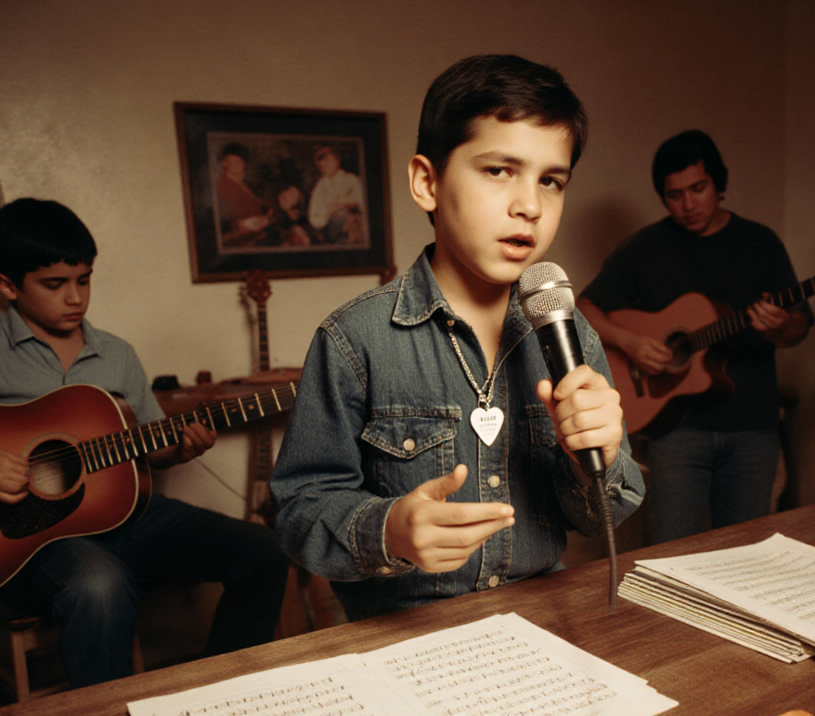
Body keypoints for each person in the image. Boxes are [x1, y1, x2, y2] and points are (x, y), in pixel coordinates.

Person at [0, 198, 288, 687]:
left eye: (84, 280)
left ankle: (229, 694)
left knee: (265, 549)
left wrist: (181, 447)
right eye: (54, 285)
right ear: (7, 285)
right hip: (28, 543)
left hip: (124, 518)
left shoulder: (115, 354)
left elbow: (149, 445)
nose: (75, 298)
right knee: (100, 584)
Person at [271, 54, 644, 621]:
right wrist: (389, 530)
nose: (530, 206)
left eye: (551, 181)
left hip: (540, 621)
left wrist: (598, 457)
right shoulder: (353, 339)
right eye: (499, 171)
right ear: (427, 183)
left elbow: (603, 518)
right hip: (402, 635)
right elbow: (299, 510)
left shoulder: (572, 336)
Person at [578, 130, 811, 544]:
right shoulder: (645, 248)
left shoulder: (760, 243)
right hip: (676, 431)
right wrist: (630, 343)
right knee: (671, 554)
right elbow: (586, 308)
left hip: (752, 427)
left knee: (746, 555)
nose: (688, 204)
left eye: (698, 189)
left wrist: (780, 327)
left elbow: (799, 325)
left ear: (718, 185)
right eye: (674, 195)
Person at [306, 145, 366, 244]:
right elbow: (314, 216)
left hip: (354, 218)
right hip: (332, 224)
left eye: (328, 162)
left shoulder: (350, 179)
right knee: (341, 218)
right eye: (322, 165)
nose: (326, 166)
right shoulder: (320, 187)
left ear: (337, 161)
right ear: (320, 170)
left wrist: (348, 204)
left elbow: (361, 199)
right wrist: (328, 212)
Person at [216, 142, 272, 247]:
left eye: (241, 159)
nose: (238, 161)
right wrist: (240, 225)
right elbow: (217, 228)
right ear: (224, 163)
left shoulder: (249, 186)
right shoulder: (220, 188)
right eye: (233, 158)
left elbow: (265, 207)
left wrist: (266, 219)